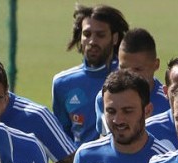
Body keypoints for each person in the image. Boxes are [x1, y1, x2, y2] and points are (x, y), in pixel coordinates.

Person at [52, 4, 129, 146]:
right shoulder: (62, 83)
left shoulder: (130, 78)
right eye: (87, 34)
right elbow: (63, 140)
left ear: (115, 38)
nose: (92, 41)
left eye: (100, 35)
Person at [94, 28, 170, 136]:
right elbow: (106, 141)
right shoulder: (105, 98)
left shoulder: (169, 101)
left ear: (155, 65)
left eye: (137, 70)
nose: (129, 76)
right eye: (123, 68)